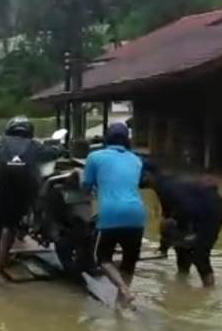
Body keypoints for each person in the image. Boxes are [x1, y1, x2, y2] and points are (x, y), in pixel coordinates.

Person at [0, 116, 61, 280]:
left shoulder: (0, 142)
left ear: (10, 129)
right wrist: (58, 147)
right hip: (21, 196)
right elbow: (54, 153)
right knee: (11, 227)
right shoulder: (35, 145)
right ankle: (3, 261)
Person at [82, 122, 146, 307]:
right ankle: (121, 306)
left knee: (101, 258)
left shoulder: (95, 156)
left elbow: (86, 185)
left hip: (111, 214)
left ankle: (124, 291)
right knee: (129, 263)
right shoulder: (136, 159)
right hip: (137, 215)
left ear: (106, 138)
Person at [141, 163, 222, 287]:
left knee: (200, 255)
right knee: (182, 252)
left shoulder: (165, 187)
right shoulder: (163, 185)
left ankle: (209, 291)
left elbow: (184, 210)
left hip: (209, 213)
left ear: (148, 176)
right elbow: (170, 216)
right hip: (195, 211)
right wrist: (167, 244)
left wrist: (190, 234)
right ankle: (182, 286)